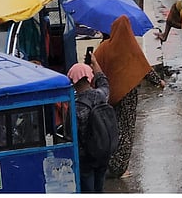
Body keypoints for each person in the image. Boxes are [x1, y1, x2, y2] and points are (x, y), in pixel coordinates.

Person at [94, 16, 166, 180]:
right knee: (126, 131)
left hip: (108, 96)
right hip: (128, 97)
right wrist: (159, 81)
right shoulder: (130, 48)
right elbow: (144, 67)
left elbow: (95, 67)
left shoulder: (104, 47)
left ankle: (110, 164)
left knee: (112, 129)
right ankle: (119, 168)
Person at [70, 54, 112, 193]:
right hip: (102, 152)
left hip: (85, 158)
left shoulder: (75, 107)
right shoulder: (101, 95)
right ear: (89, 77)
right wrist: (95, 64)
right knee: (99, 188)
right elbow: (104, 82)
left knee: (88, 190)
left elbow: (70, 134)